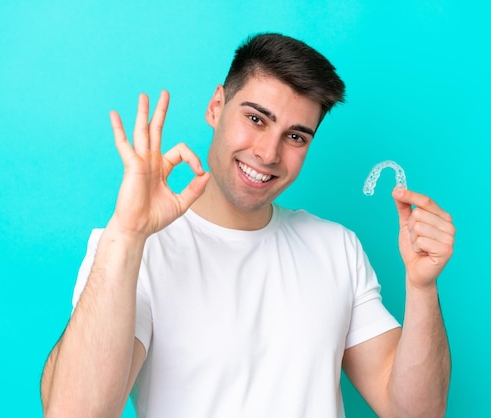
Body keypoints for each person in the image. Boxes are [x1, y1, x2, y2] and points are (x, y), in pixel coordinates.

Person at [40, 33, 455, 418]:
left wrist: (421, 287)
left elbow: (414, 413)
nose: (268, 152)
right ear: (216, 106)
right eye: (256, 119)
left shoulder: (336, 248)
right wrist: (127, 235)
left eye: (295, 137)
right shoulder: (133, 249)